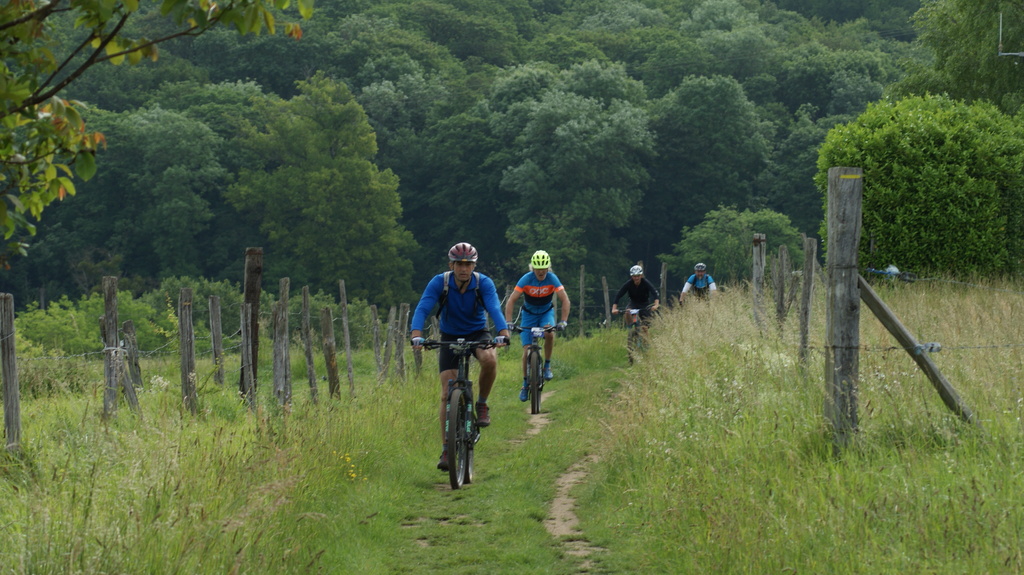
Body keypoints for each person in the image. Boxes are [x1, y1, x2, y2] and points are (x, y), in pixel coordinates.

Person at [410, 242, 510, 472]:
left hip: (477, 332)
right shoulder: (440, 282)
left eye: (468, 264)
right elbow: (423, 307)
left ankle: (482, 404)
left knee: (489, 359)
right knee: (447, 393)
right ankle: (447, 449)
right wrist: (416, 335)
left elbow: (494, 308)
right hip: (450, 335)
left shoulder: (483, 283)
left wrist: (503, 333)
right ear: (451, 265)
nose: (463, 268)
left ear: (474, 266)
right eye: (459, 264)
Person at [504, 250, 571, 402]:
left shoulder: (552, 279)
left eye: (544, 269)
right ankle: (525, 384)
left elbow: (565, 300)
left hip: (546, 313)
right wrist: (508, 322)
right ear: (532, 268)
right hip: (528, 315)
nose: (541, 272)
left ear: (548, 268)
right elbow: (511, 300)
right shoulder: (526, 279)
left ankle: (547, 365)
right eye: (538, 269)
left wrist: (563, 321)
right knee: (526, 351)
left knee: (549, 332)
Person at [611, 265, 660, 335]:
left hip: (644, 304)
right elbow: (618, 295)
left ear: (641, 275)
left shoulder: (645, 283)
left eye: (638, 276)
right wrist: (614, 308)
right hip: (633, 303)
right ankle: (631, 328)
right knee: (627, 312)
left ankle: (645, 339)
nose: (636, 278)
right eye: (634, 276)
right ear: (631, 276)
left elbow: (655, 293)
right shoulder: (629, 284)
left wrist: (656, 305)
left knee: (645, 329)